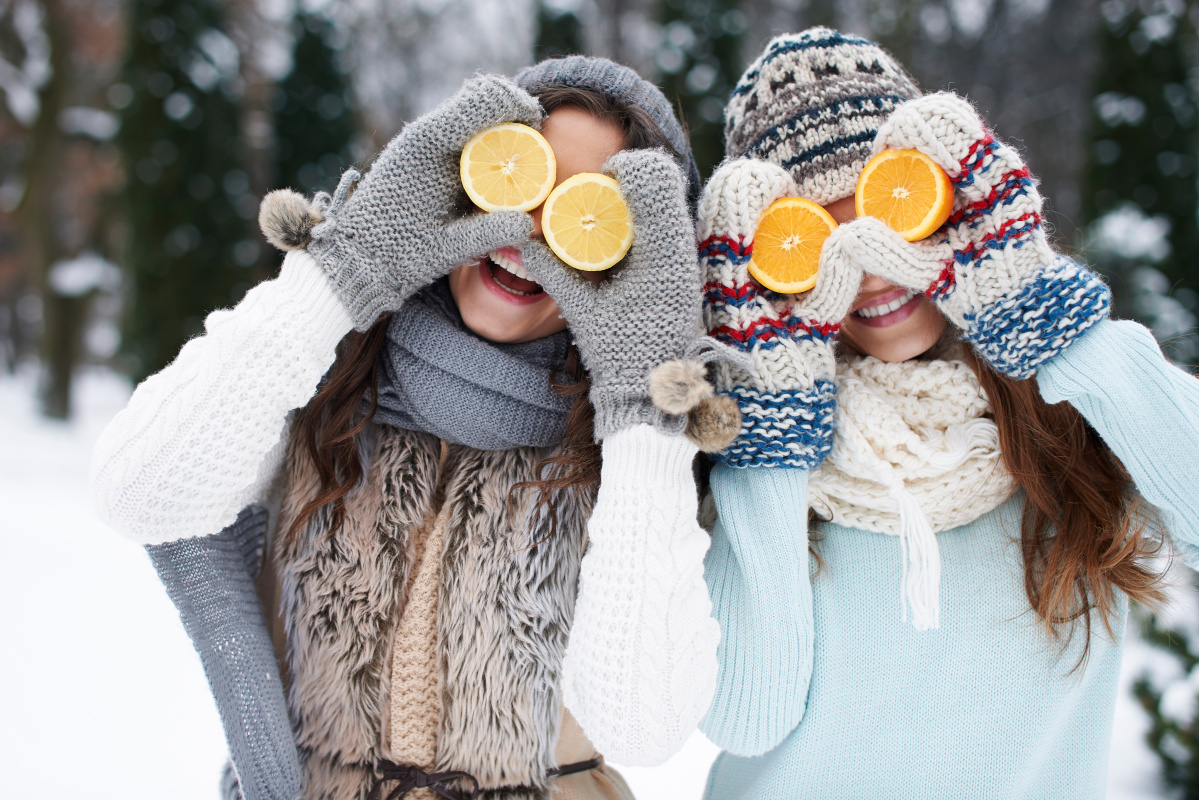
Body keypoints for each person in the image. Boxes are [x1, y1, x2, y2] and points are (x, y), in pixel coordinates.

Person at [90, 57, 722, 800]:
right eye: (516, 180)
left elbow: (643, 729)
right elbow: (140, 495)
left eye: (584, 215)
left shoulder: (642, 456)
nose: (525, 237)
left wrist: (643, 405)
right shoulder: (319, 364)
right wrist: (344, 271)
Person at [694, 28, 1198, 798]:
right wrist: (769, 427)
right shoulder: (756, 460)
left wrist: (1043, 319)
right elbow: (744, 717)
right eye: (816, 237)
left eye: (888, 212)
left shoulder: (1079, 413)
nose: (866, 268)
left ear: (950, 205)